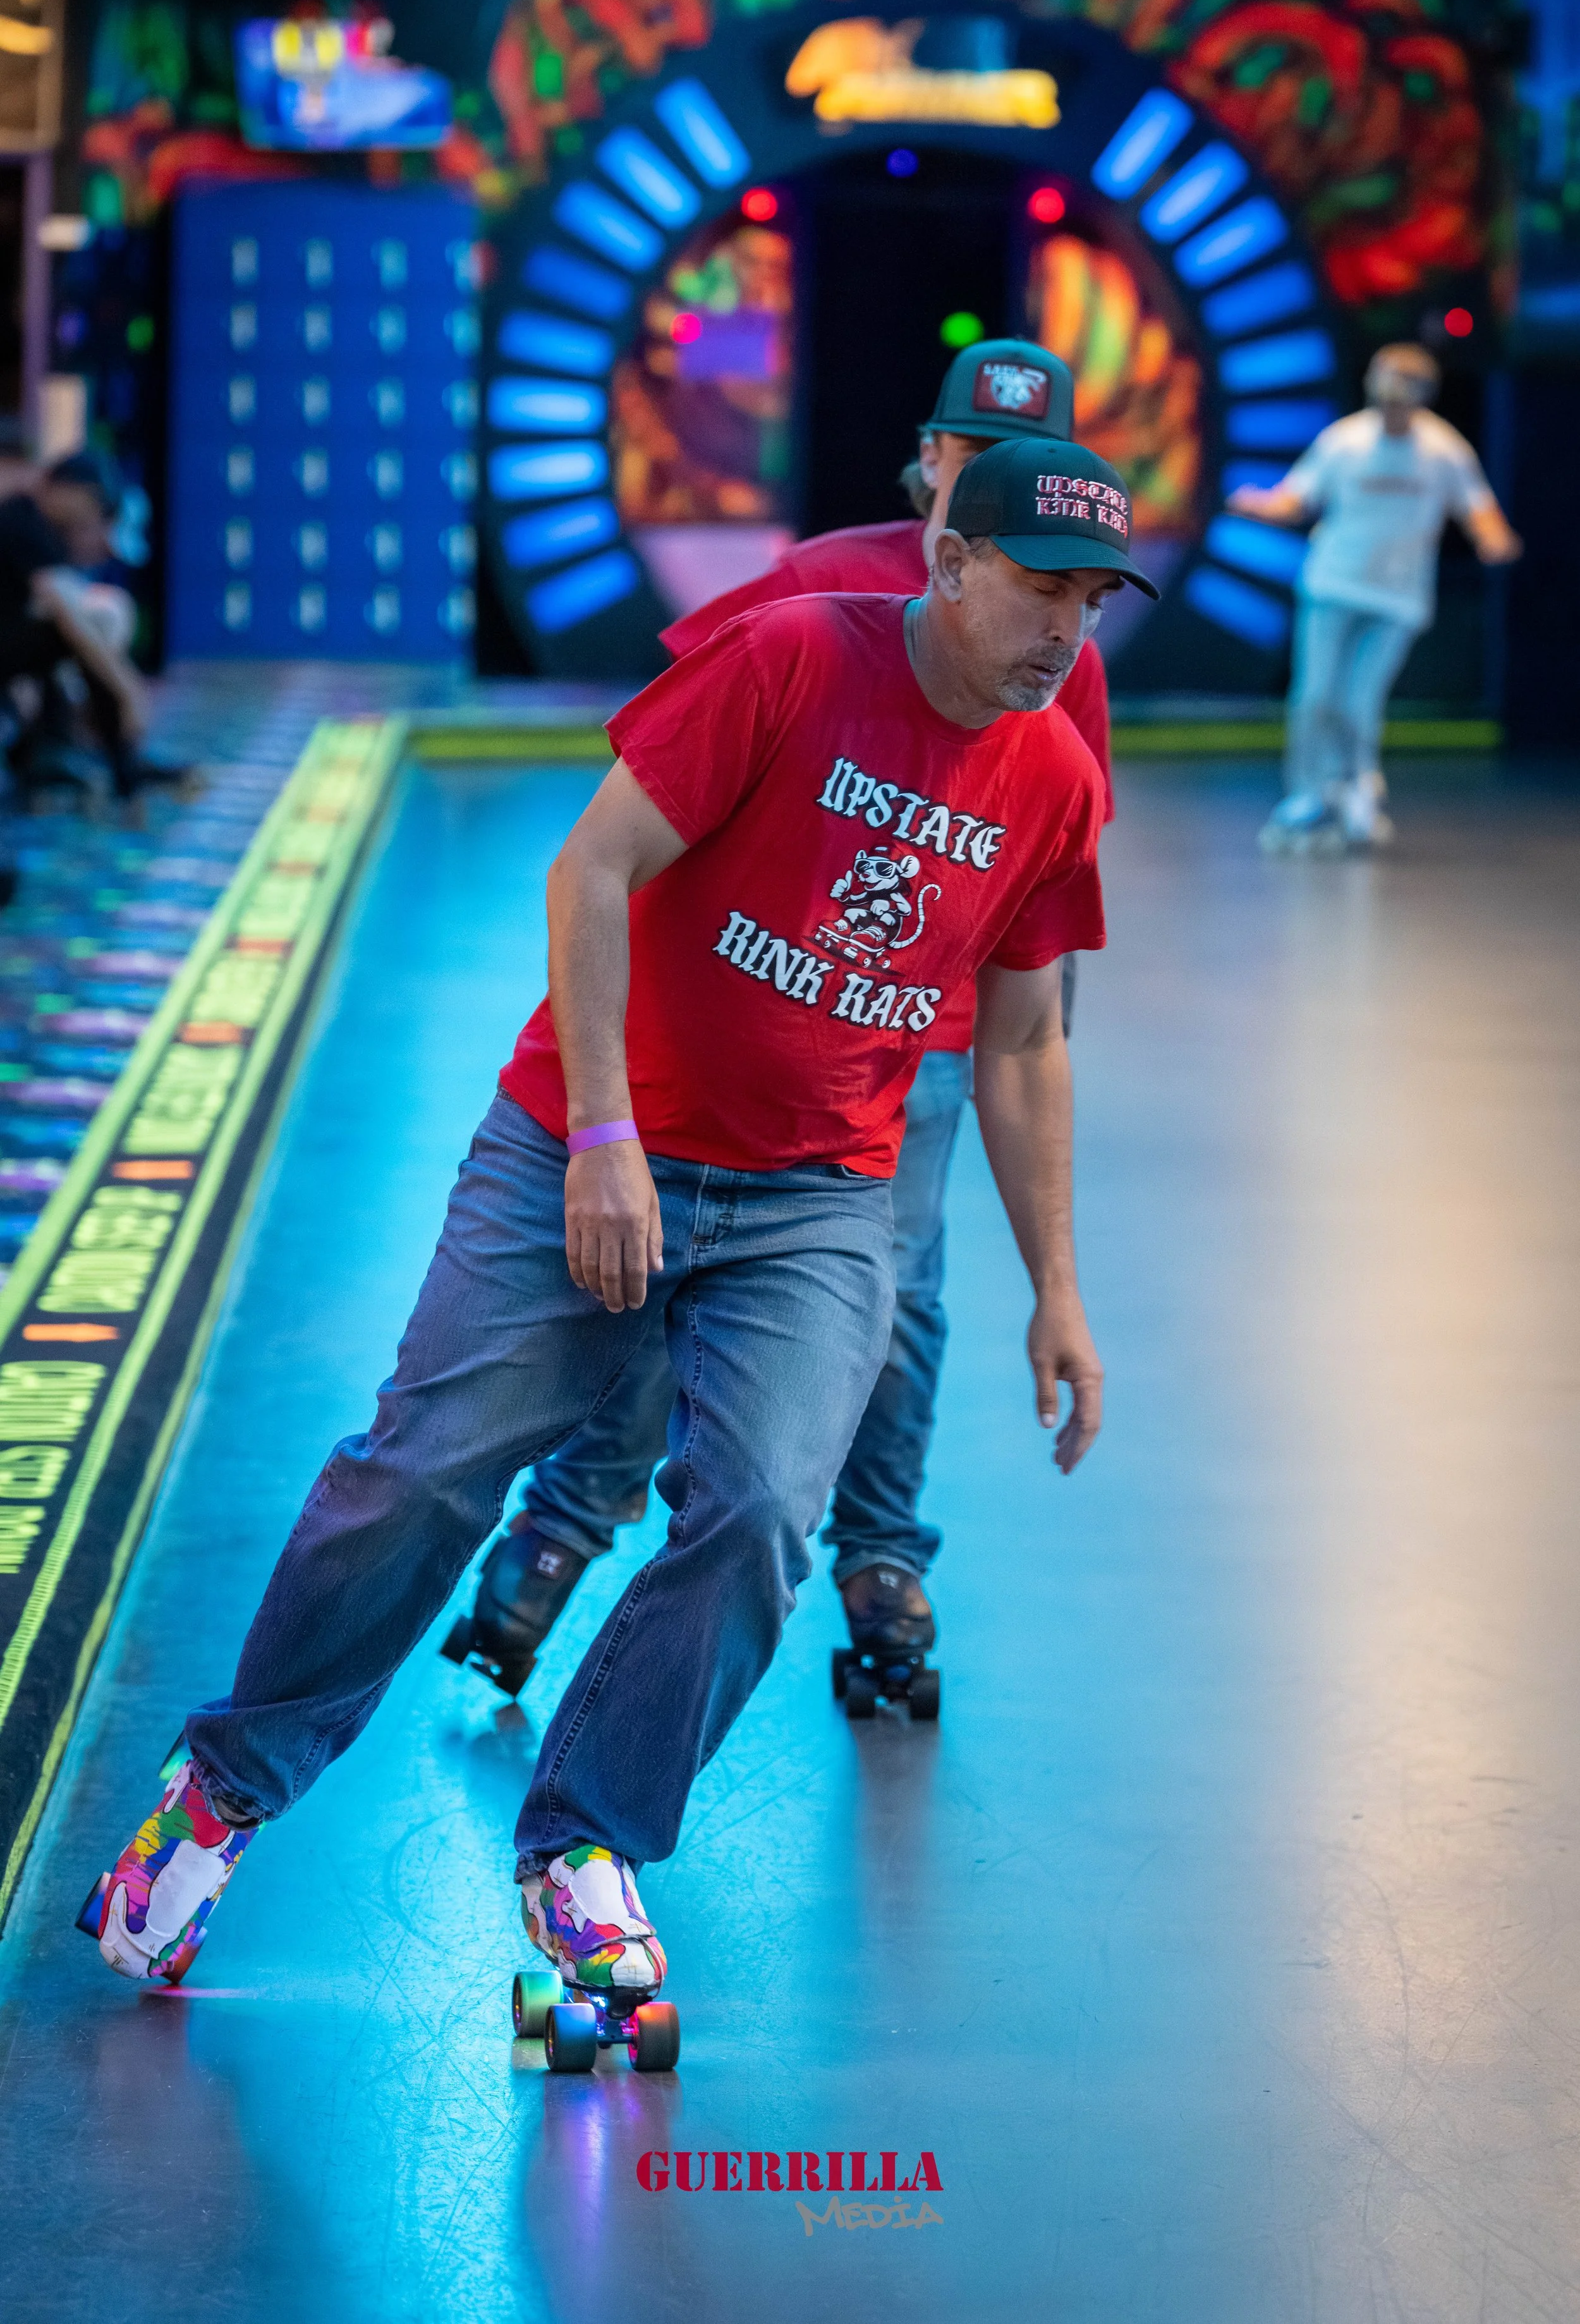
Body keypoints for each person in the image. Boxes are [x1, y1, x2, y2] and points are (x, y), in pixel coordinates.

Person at [91, 433, 1155, 1997]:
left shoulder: (1055, 771)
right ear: (947, 559)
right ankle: (227, 1785)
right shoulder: (791, 654)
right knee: (426, 1472)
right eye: (1039, 586)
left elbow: (1021, 1038)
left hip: (818, 1195)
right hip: (582, 1142)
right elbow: (595, 870)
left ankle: (585, 1842)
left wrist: (1056, 1284)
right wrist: (603, 1133)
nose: (1067, 631)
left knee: (758, 1514)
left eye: (1092, 600)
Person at [446, 336, 1115, 1700]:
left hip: (904, 1052)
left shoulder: (1059, 641)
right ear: (930, 461)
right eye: (969, 458)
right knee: (648, 1280)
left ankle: (880, 1556)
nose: (989, 486)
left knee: (896, 1302)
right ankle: (566, 1528)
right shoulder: (812, 591)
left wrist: (1056, 1270)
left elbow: (1040, 910)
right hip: (737, 1020)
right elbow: (650, 794)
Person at [1230, 344, 1521, 855]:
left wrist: (1492, 538)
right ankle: (1307, 797)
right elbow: (1297, 499)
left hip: (1398, 599)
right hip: (1334, 586)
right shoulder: (1345, 442)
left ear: (1422, 398)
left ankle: (1359, 789)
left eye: (1404, 393)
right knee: (1315, 696)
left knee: (1359, 704)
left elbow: (1478, 507)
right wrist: (1261, 505)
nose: (1393, 405)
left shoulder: (1444, 450)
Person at [0, 453, 162, 809]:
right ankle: (123, 774)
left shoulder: (48, 534)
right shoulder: (20, 517)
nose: (89, 514)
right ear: (68, 489)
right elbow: (65, 612)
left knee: (88, 627)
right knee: (76, 631)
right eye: (91, 503)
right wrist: (127, 690)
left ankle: (117, 769)